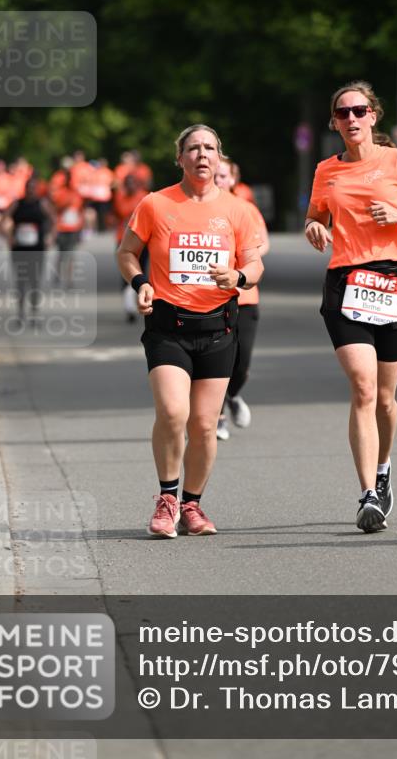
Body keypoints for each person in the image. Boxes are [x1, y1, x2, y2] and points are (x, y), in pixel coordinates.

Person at [305, 80, 397, 534]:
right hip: (346, 282)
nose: (351, 119)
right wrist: (314, 228)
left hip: (394, 283)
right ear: (334, 122)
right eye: (342, 112)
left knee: (386, 397)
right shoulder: (327, 170)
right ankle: (368, 493)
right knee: (363, 389)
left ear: (373, 116)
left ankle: (384, 470)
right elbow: (315, 215)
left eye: (359, 111)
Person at [117, 125, 264, 538]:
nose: (202, 154)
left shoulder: (237, 210)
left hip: (218, 328)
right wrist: (139, 282)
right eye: (193, 148)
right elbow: (127, 252)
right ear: (179, 158)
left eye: (210, 148)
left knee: (203, 424)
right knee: (173, 411)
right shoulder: (155, 204)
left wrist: (237, 275)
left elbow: (255, 267)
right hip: (168, 327)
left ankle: (192, 504)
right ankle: (166, 500)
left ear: (220, 158)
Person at [214, 159, 270, 440]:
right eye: (214, 174)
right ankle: (218, 416)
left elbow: (263, 244)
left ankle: (234, 395)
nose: (218, 179)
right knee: (217, 360)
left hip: (245, 296)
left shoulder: (245, 209)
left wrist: (242, 260)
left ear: (233, 180)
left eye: (223, 175)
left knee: (241, 363)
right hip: (211, 300)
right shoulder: (199, 210)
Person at [6, 176, 55, 324]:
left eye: (34, 188)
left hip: (37, 248)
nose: (31, 191)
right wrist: (9, 237)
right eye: (29, 188)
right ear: (25, 189)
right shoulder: (17, 204)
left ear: (37, 190)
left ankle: (34, 314)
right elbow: (4, 220)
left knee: (34, 281)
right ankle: (20, 313)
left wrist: (50, 237)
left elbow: (54, 221)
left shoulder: (42, 204)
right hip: (19, 248)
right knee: (21, 281)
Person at [111, 172, 149, 322]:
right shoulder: (119, 197)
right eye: (127, 183)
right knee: (125, 273)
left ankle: (140, 300)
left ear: (138, 184)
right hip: (123, 239)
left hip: (143, 240)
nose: (130, 186)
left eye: (132, 182)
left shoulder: (145, 197)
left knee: (141, 270)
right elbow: (115, 214)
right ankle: (129, 306)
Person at [51, 170, 85, 286]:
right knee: (61, 253)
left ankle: (70, 280)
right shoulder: (60, 193)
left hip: (74, 228)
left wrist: (81, 228)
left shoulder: (77, 194)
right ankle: (57, 275)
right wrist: (66, 203)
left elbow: (80, 211)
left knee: (71, 254)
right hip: (62, 227)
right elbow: (55, 208)